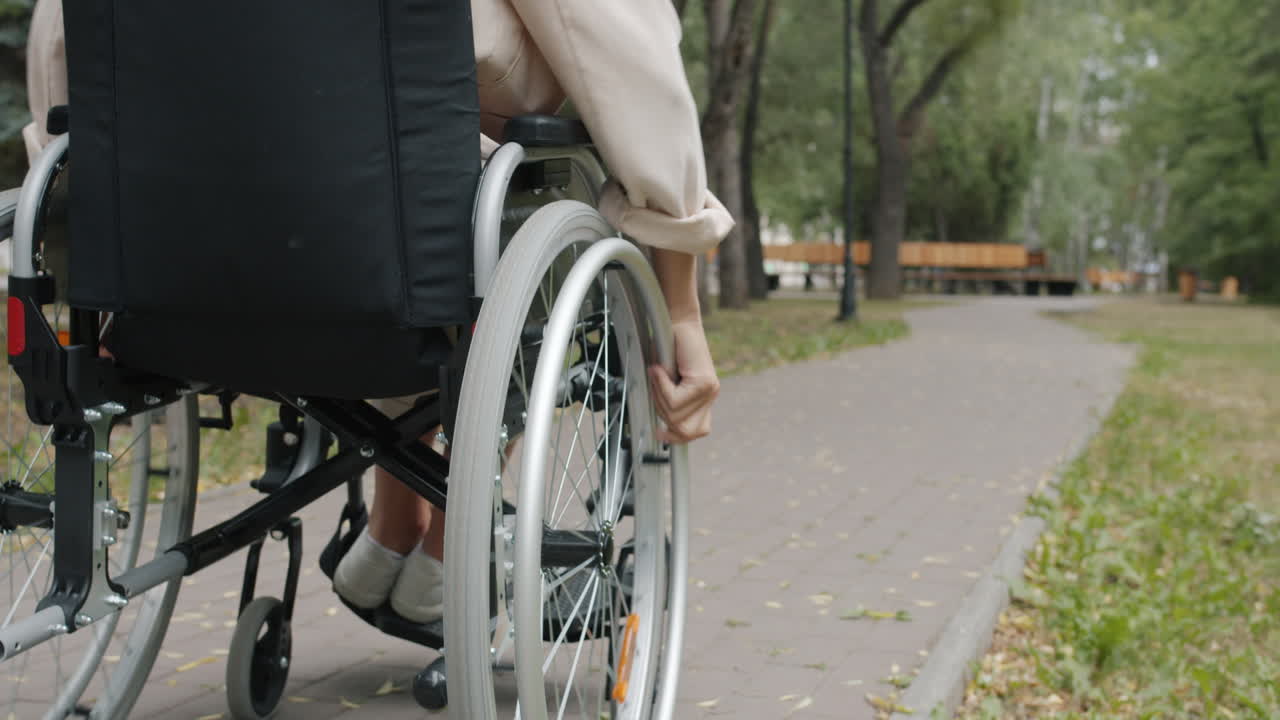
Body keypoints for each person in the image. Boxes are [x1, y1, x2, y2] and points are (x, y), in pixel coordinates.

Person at [25, 0, 728, 623]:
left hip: (174, 256)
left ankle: (396, 527)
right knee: (496, 191)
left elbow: (64, 39)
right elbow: (627, 59)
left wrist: (75, 208)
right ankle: (442, 542)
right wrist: (680, 308)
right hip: (406, 236)